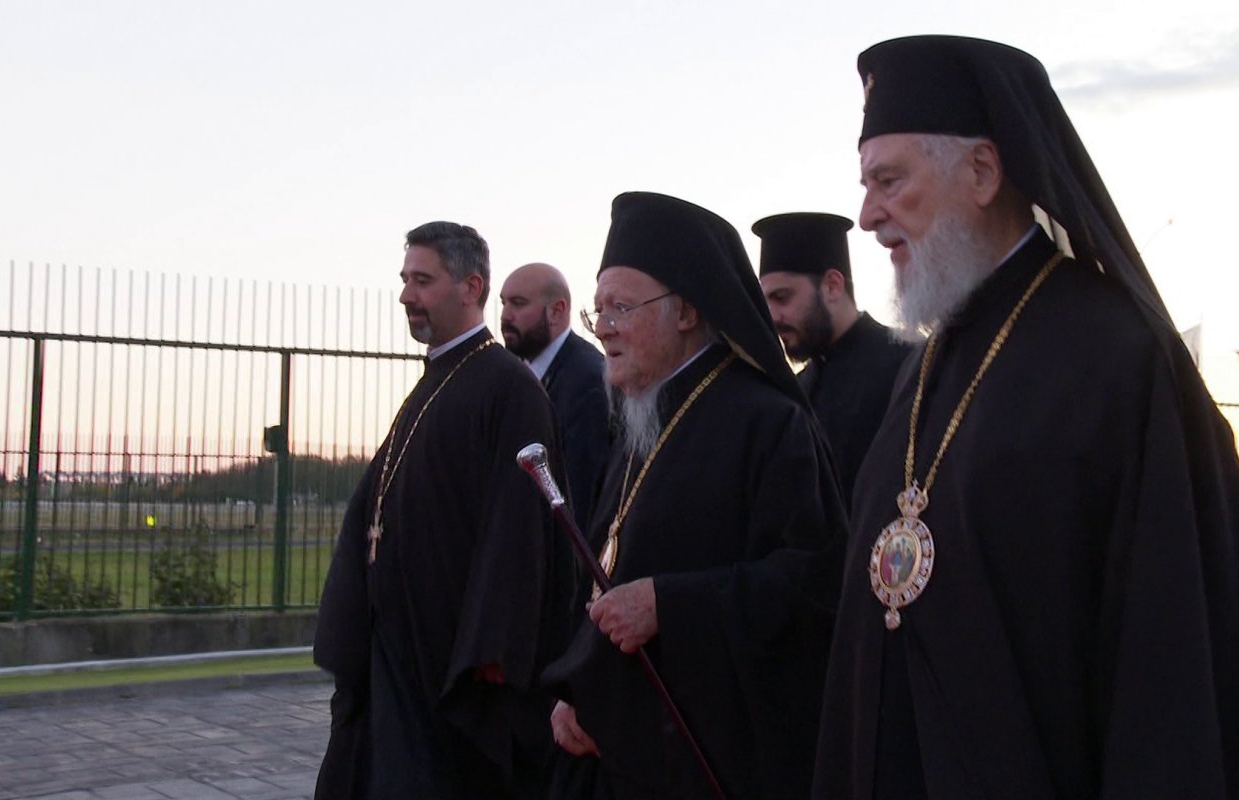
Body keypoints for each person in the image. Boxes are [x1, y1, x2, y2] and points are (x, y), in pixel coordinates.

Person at [813, 36, 1239, 799]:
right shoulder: (922, 367)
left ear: (983, 171)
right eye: (865, 184)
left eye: (888, 181)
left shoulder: (1118, 358)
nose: (867, 215)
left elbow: (1166, 664)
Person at [543, 191, 847, 799]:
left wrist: (670, 605)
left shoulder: (767, 423)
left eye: (621, 307)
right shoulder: (638, 421)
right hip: (611, 758)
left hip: (706, 765)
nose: (602, 327)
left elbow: (816, 583)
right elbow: (605, 568)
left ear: (686, 311)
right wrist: (572, 689)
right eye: (597, 309)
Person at [313, 221, 572, 799]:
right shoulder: (435, 383)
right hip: (397, 655)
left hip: (454, 673)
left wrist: (489, 657)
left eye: (423, 280)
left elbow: (519, 535)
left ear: (471, 286)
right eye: (405, 279)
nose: (407, 295)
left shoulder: (509, 389)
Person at [753, 211, 913, 503]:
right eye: (766, 303)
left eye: (782, 297)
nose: (773, 317)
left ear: (832, 286)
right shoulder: (794, 391)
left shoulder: (907, 364)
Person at [501, 262, 612, 530]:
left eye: (518, 303)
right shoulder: (523, 374)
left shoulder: (587, 380)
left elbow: (578, 499)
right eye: (503, 303)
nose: (505, 315)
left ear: (557, 311)